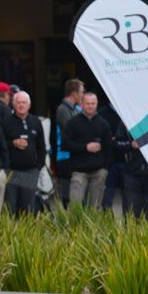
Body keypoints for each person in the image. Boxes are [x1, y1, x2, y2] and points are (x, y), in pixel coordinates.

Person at [64, 92, 112, 209]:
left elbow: (109, 147)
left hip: (99, 172)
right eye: (87, 103)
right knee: (75, 206)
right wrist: (85, 147)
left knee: (95, 208)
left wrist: (105, 169)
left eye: (93, 103)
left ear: (97, 104)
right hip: (79, 171)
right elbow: (66, 145)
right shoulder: (73, 123)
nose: (90, 106)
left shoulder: (104, 124)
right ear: (81, 104)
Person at [2, 90, 45, 215]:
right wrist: (13, 143)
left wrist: (38, 167)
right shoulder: (6, 122)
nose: (21, 105)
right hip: (11, 171)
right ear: (13, 104)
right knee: (10, 207)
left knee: (28, 208)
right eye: (18, 102)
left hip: (30, 171)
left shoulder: (36, 122)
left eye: (24, 102)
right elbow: (1, 145)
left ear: (29, 105)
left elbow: (41, 146)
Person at [55, 78, 83, 208]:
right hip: (65, 156)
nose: (82, 95)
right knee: (66, 194)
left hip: (75, 155)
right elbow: (71, 130)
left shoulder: (76, 109)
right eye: (81, 92)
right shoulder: (62, 109)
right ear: (74, 93)